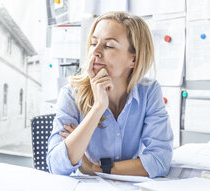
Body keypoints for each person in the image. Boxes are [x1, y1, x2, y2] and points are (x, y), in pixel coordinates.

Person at [46, 11, 173, 178]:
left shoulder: (148, 91)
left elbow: (160, 161)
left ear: (133, 60)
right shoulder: (71, 94)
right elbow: (56, 166)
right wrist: (98, 108)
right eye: (93, 43)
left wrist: (94, 168)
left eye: (109, 46)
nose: (96, 52)